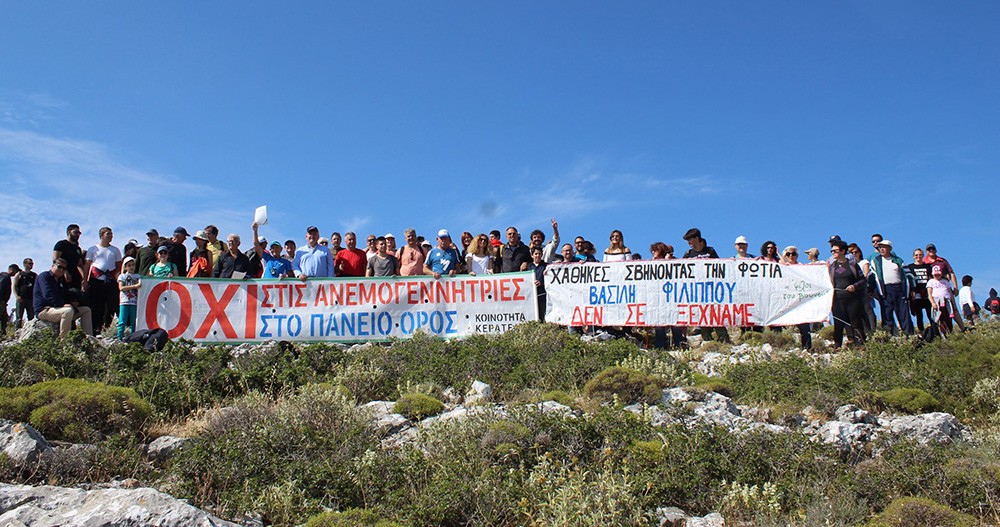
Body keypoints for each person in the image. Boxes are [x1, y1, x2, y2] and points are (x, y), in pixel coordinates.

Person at [682, 228, 727, 342]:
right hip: (697, 290)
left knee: (715, 314)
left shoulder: (710, 251)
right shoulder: (688, 254)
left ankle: (724, 339)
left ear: (697, 238)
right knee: (702, 315)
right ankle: (707, 340)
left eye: (690, 240)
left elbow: (719, 266)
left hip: (711, 290)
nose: (689, 243)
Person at [34, 258, 93, 338]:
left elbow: (65, 294)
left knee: (86, 310)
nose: (61, 270)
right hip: (44, 310)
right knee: (68, 311)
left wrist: (72, 302)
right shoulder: (44, 276)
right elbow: (48, 295)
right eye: (59, 267)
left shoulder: (61, 280)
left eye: (64, 268)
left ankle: (88, 337)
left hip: (59, 309)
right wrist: (62, 304)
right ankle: (64, 340)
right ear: (53, 266)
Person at [869, 240, 914, 335]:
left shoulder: (898, 260)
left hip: (899, 289)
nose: (881, 249)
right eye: (880, 247)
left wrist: (912, 289)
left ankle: (908, 335)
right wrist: (870, 290)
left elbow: (908, 275)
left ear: (889, 248)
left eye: (884, 247)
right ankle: (889, 335)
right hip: (885, 290)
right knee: (887, 314)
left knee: (903, 313)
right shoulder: (875, 261)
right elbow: (871, 276)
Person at [84, 226, 123, 333]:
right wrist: (85, 280)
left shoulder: (115, 250)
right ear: (101, 236)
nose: (111, 236)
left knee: (110, 305)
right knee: (96, 305)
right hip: (96, 280)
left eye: (111, 234)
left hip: (110, 281)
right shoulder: (93, 249)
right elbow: (87, 265)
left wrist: (118, 280)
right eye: (108, 234)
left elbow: (119, 266)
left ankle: (106, 328)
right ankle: (95, 328)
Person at [829, 240, 867, 349]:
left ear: (843, 251)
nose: (833, 253)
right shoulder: (831, 267)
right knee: (838, 323)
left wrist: (854, 286)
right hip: (837, 299)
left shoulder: (852, 264)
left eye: (835, 250)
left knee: (855, 321)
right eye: (831, 251)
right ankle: (837, 346)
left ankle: (860, 343)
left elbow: (862, 280)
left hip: (852, 298)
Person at [650, 242, 686, 349]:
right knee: (659, 323)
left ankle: (679, 344)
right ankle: (660, 346)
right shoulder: (650, 263)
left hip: (672, 297)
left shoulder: (673, 261)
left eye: (655, 250)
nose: (652, 252)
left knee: (675, 321)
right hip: (658, 298)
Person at [923, 244, 965, 331]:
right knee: (936, 311)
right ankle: (938, 332)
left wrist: (955, 287)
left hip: (945, 288)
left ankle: (963, 328)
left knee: (953, 309)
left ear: (936, 250)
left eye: (932, 249)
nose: (931, 251)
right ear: (926, 251)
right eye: (929, 250)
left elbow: (951, 273)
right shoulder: (924, 262)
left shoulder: (942, 261)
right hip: (933, 290)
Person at [781, 246, 813, 350]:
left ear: (797, 255)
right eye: (788, 254)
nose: (791, 256)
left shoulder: (803, 268)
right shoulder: (781, 268)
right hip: (786, 301)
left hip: (801, 302)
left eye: (793, 254)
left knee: (804, 327)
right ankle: (782, 349)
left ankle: (807, 348)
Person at [848, 243, 877, 333]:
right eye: (851, 252)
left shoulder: (864, 262)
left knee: (868, 309)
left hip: (864, 287)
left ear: (859, 252)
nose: (853, 254)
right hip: (854, 289)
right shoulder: (850, 265)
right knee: (858, 311)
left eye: (855, 252)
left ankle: (872, 329)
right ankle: (864, 330)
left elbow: (865, 274)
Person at [906, 247, 934, 332]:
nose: (918, 256)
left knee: (931, 314)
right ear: (913, 256)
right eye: (916, 255)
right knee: (919, 315)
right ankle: (921, 332)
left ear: (923, 255)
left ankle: (934, 331)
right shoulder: (910, 267)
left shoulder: (928, 267)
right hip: (916, 295)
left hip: (927, 294)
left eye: (920, 255)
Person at [53, 224, 85, 290]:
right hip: (62, 276)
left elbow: (80, 265)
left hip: (75, 277)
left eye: (79, 233)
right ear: (69, 232)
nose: (77, 235)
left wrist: (84, 278)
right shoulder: (61, 244)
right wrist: (65, 272)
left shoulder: (78, 249)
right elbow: (55, 260)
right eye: (75, 232)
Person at [116, 256, 141, 340]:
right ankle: (119, 338)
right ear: (125, 267)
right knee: (122, 321)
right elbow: (121, 288)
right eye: (129, 265)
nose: (131, 267)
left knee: (133, 322)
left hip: (134, 302)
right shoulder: (122, 276)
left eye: (133, 265)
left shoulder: (138, 276)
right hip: (124, 302)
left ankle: (133, 338)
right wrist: (134, 286)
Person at [926, 264, 955, 334]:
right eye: (935, 274)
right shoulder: (931, 282)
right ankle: (940, 333)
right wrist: (933, 303)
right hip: (937, 301)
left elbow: (950, 292)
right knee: (939, 318)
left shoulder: (945, 282)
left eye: (938, 274)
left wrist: (953, 303)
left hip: (946, 301)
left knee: (947, 317)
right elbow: (929, 294)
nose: (937, 276)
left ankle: (949, 332)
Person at [12, 258, 36, 328]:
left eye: (32, 264)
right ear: (25, 264)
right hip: (21, 298)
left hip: (30, 299)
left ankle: (30, 331)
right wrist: (16, 296)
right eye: (29, 263)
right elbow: (14, 286)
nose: (31, 265)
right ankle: (17, 331)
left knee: (31, 317)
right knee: (19, 317)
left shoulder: (34, 275)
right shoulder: (19, 274)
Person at [528, 246, 547, 322]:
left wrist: (541, 283)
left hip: (543, 295)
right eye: (536, 254)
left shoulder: (547, 266)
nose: (538, 256)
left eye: (539, 254)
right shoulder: (528, 267)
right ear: (532, 255)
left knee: (543, 315)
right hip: (532, 297)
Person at [0, 264, 15, 336]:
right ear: (12, 269)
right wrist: (2, 301)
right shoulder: (5, 277)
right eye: (15, 271)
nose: (15, 274)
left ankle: (3, 333)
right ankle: (3, 333)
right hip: (1, 301)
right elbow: (1, 288)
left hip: (3, 301)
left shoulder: (2, 275)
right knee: (3, 317)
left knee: (4, 318)